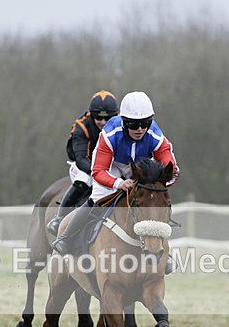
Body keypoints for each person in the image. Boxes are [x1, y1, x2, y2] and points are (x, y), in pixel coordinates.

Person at [52, 91, 180, 256]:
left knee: (155, 201)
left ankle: (165, 253)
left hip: (140, 168)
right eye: (133, 125)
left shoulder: (155, 135)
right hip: (112, 164)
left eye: (145, 123)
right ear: (124, 121)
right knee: (98, 197)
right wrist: (118, 183)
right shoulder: (110, 133)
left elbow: (173, 171)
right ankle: (66, 238)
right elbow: (98, 171)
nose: (140, 129)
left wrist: (157, 185)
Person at [46, 90, 119, 236]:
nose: (103, 123)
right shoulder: (82, 126)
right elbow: (80, 159)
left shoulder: (122, 124)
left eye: (108, 118)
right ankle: (59, 218)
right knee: (83, 182)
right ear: (91, 115)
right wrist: (99, 174)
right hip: (85, 165)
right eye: (98, 118)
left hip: (111, 163)